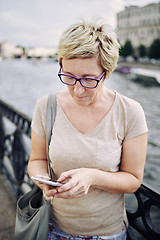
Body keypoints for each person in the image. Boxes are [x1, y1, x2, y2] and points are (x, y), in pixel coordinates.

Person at [28, 19, 148, 240]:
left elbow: (133, 179)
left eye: (88, 79)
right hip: (52, 228)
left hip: (108, 233)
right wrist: (43, 181)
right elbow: (36, 160)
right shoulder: (46, 106)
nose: (78, 90)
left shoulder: (130, 112)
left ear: (107, 72)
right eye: (69, 77)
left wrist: (92, 177)